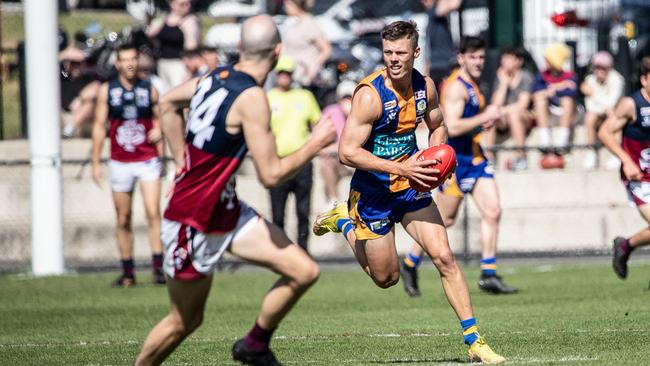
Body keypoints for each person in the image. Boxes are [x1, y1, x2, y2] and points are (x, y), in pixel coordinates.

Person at [134, 15, 336, 365]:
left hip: (225, 209)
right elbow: (271, 175)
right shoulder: (253, 97)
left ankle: (254, 345)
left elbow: (166, 102)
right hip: (192, 219)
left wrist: (182, 161)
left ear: (240, 48)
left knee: (304, 271)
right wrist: (315, 143)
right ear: (278, 52)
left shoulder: (214, 77)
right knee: (184, 321)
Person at [312, 21, 506, 363]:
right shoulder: (370, 95)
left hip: (411, 189)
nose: (393, 59)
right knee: (386, 278)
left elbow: (438, 125)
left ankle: (475, 341)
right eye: (388, 53)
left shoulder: (425, 87)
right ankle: (344, 220)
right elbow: (347, 152)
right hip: (372, 195)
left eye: (400, 53)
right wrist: (403, 167)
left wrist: (437, 160)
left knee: (445, 258)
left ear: (415, 52)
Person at [399, 36, 517, 298]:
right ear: (461, 57)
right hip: (455, 162)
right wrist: (483, 118)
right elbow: (451, 126)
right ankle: (410, 263)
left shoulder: (474, 84)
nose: (478, 62)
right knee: (445, 219)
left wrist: (504, 86)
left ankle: (488, 273)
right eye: (473, 57)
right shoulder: (455, 87)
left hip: (474, 158)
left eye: (481, 57)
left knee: (493, 210)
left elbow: (490, 112)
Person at [91, 44, 165, 287]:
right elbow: (100, 125)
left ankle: (158, 268)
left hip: (147, 159)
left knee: (153, 212)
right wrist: (95, 161)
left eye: (134, 58)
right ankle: (128, 272)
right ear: (118, 64)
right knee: (123, 217)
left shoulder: (149, 89)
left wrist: (159, 130)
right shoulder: (107, 91)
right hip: (121, 161)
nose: (131, 63)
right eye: (125, 60)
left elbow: (161, 117)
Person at [600, 57, 650, 287]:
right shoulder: (632, 104)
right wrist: (627, 161)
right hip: (640, 177)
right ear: (644, 79)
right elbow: (605, 133)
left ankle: (626, 245)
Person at [267, 56, 322, 252]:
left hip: (302, 162)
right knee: (278, 213)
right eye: (281, 73)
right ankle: (280, 253)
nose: (285, 78)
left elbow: (319, 124)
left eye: (288, 74)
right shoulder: (269, 98)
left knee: (303, 210)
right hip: (279, 160)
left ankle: (303, 251)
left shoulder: (304, 97)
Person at [483, 46, 534, 171]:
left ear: (519, 61)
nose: (504, 62)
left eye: (508, 59)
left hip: (524, 117)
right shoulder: (500, 77)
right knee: (490, 114)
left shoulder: (525, 77)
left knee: (514, 114)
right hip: (504, 119)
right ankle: (490, 159)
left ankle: (521, 157)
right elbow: (496, 103)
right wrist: (504, 84)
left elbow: (523, 104)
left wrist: (500, 111)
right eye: (503, 59)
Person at [532, 43, 577, 166]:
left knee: (567, 100)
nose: (545, 61)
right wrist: (560, 86)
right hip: (548, 110)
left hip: (565, 111)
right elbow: (536, 92)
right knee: (540, 101)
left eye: (548, 59)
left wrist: (552, 88)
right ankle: (545, 141)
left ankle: (561, 143)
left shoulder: (570, 75)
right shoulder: (542, 75)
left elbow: (571, 92)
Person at [581, 51, 624, 170]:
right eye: (596, 67)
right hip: (599, 115)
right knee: (590, 117)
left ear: (609, 67)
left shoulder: (617, 79)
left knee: (614, 116)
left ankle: (616, 154)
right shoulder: (589, 80)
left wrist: (593, 94)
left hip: (614, 115)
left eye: (603, 67)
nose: (599, 70)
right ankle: (591, 152)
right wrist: (604, 108)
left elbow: (612, 102)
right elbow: (590, 106)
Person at [147, 0, 200, 90]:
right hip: (162, 62)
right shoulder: (164, 19)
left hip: (179, 64)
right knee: (163, 91)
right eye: (182, 4)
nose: (186, 7)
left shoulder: (190, 21)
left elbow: (191, 47)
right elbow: (149, 35)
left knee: (177, 90)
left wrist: (189, 69)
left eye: (188, 4)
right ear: (172, 5)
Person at [318, 80, 356, 205]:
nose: (346, 102)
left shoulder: (362, 112)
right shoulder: (331, 112)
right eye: (344, 98)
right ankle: (333, 201)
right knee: (326, 162)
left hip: (358, 160)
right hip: (340, 159)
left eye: (349, 98)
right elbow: (321, 141)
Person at [280, 0, 332, 87]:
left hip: (303, 80)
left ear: (296, 5)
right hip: (290, 76)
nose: (285, 8)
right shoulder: (294, 23)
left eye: (287, 5)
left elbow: (326, 50)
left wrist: (312, 70)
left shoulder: (309, 24)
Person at [420, 0, 462, 87]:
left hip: (440, 65)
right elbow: (454, 4)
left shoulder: (432, 16)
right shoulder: (433, 12)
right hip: (441, 66)